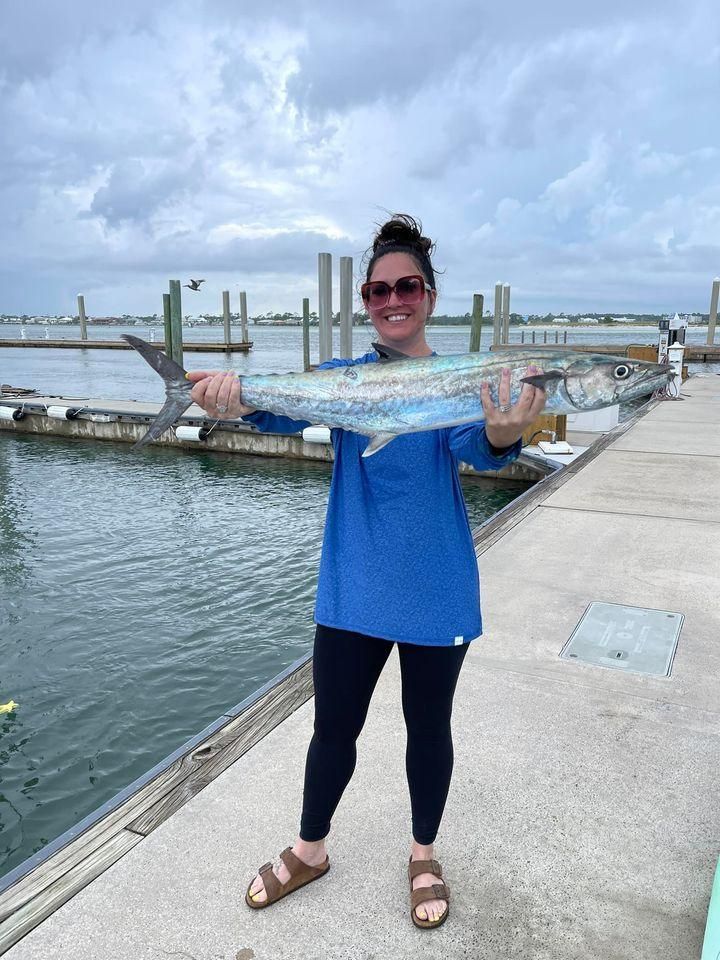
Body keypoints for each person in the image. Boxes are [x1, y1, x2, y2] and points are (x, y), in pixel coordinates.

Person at [187, 214, 547, 929]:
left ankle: (422, 853)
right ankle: (310, 849)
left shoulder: (466, 381)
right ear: (366, 300)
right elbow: (281, 414)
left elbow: (482, 444)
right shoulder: (340, 380)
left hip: (437, 588)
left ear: (430, 295)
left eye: (407, 285)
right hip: (353, 583)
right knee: (333, 728)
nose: (393, 299)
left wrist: (507, 431)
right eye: (379, 289)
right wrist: (236, 394)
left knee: (429, 728)